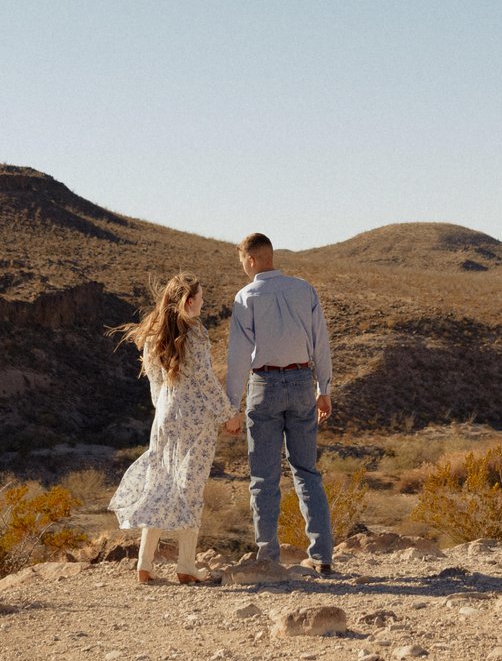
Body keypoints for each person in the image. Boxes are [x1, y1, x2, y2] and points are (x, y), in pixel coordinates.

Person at [222, 232, 334, 572]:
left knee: (264, 477)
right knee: (307, 472)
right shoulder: (304, 289)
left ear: (253, 259)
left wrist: (232, 406)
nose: (242, 265)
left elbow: (239, 355)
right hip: (302, 382)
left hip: (264, 385)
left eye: (242, 259)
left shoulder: (247, 296)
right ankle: (322, 556)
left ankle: (267, 557)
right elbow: (321, 341)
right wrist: (324, 388)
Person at [108, 272, 229, 584]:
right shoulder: (195, 333)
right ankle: (186, 566)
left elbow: (155, 385)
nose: (203, 304)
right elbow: (205, 380)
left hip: (165, 414)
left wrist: (164, 410)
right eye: (201, 298)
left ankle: (144, 564)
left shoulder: (153, 335)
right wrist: (228, 413)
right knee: (190, 489)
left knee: (160, 484)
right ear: (189, 302)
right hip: (196, 419)